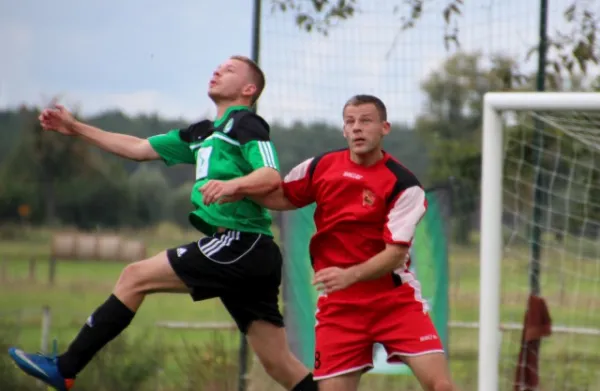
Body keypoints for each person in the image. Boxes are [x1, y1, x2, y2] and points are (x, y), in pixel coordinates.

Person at [7, 55, 317, 391]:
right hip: (248, 254)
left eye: (228, 70)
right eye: (217, 67)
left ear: (248, 89)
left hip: (242, 244)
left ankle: (65, 368)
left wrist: (233, 185)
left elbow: (270, 175)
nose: (216, 71)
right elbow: (139, 147)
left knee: (134, 276)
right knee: (279, 364)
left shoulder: (246, 124)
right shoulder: (202, 133)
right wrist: (76, 128)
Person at [248, 95, 458, 391]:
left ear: (385, 128)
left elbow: (395, 255)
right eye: (350, 121)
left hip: (394, 302)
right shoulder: (320, 167)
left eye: (366, 121)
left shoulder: (403, 184)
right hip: (340, 308)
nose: (357, 128)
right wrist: (235, 185)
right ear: (344, 130)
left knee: (441, 386)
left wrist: (349, 275)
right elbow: (281, 196)